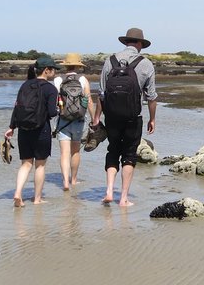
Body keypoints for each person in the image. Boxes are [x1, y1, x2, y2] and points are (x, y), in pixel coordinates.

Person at [96, 27, 157, 207]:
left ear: (125, 42)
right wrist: (152, 119)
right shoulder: (146, 64)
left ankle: (109, 191)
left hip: (112, 116)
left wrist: (97, 118)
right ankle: (123, 198)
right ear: (140, 44)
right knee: (129, 155)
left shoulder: (110, 61)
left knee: (113, 151)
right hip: (133, 117)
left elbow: (101, 94)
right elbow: (151, 97)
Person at [4, 55, 61, 207]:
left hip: (23, 130)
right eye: (53, 69)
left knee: (26, 164)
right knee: (40, 166)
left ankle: (18, 193)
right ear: (46, 70)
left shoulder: (25, 85)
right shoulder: (51, 89)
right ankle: (37, 199)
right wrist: (58, 109)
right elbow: (52, 112)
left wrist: (11, 127)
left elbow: (17, 107)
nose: (55, 72)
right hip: (42, 130)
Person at [52, 52, 95, 192]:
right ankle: (74, 180)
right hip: (79, 120)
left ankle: (65, 182)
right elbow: (88, 100)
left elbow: (54, 101)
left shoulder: (57, 80)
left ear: (66, 65)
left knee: (64, 153)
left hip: (62, 120)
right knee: (75, 152)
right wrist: (94, 119)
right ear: (78, 66)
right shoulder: (83, 79)